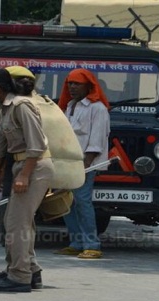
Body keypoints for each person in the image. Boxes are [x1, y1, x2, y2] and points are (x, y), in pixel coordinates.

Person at [0, 66, 54, 292]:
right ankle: (29, 270)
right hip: (21, 166)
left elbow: (37, 145)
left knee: (16, 224)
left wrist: (25, 174)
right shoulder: (4, 108)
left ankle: (19, 277)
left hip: (34, 166)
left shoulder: (21, 106)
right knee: (18, 221)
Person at [55, 68, 110, 259]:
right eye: (69, 83)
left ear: (88, 86)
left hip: (86, 163)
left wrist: (85, 165)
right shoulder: (70, 106)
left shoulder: (98, 108)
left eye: (76, 83)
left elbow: (96, 142)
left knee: (83, 202)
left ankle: (92, 245)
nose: (72, 87)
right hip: (67, 163)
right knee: (67, 202)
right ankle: (77, 242)